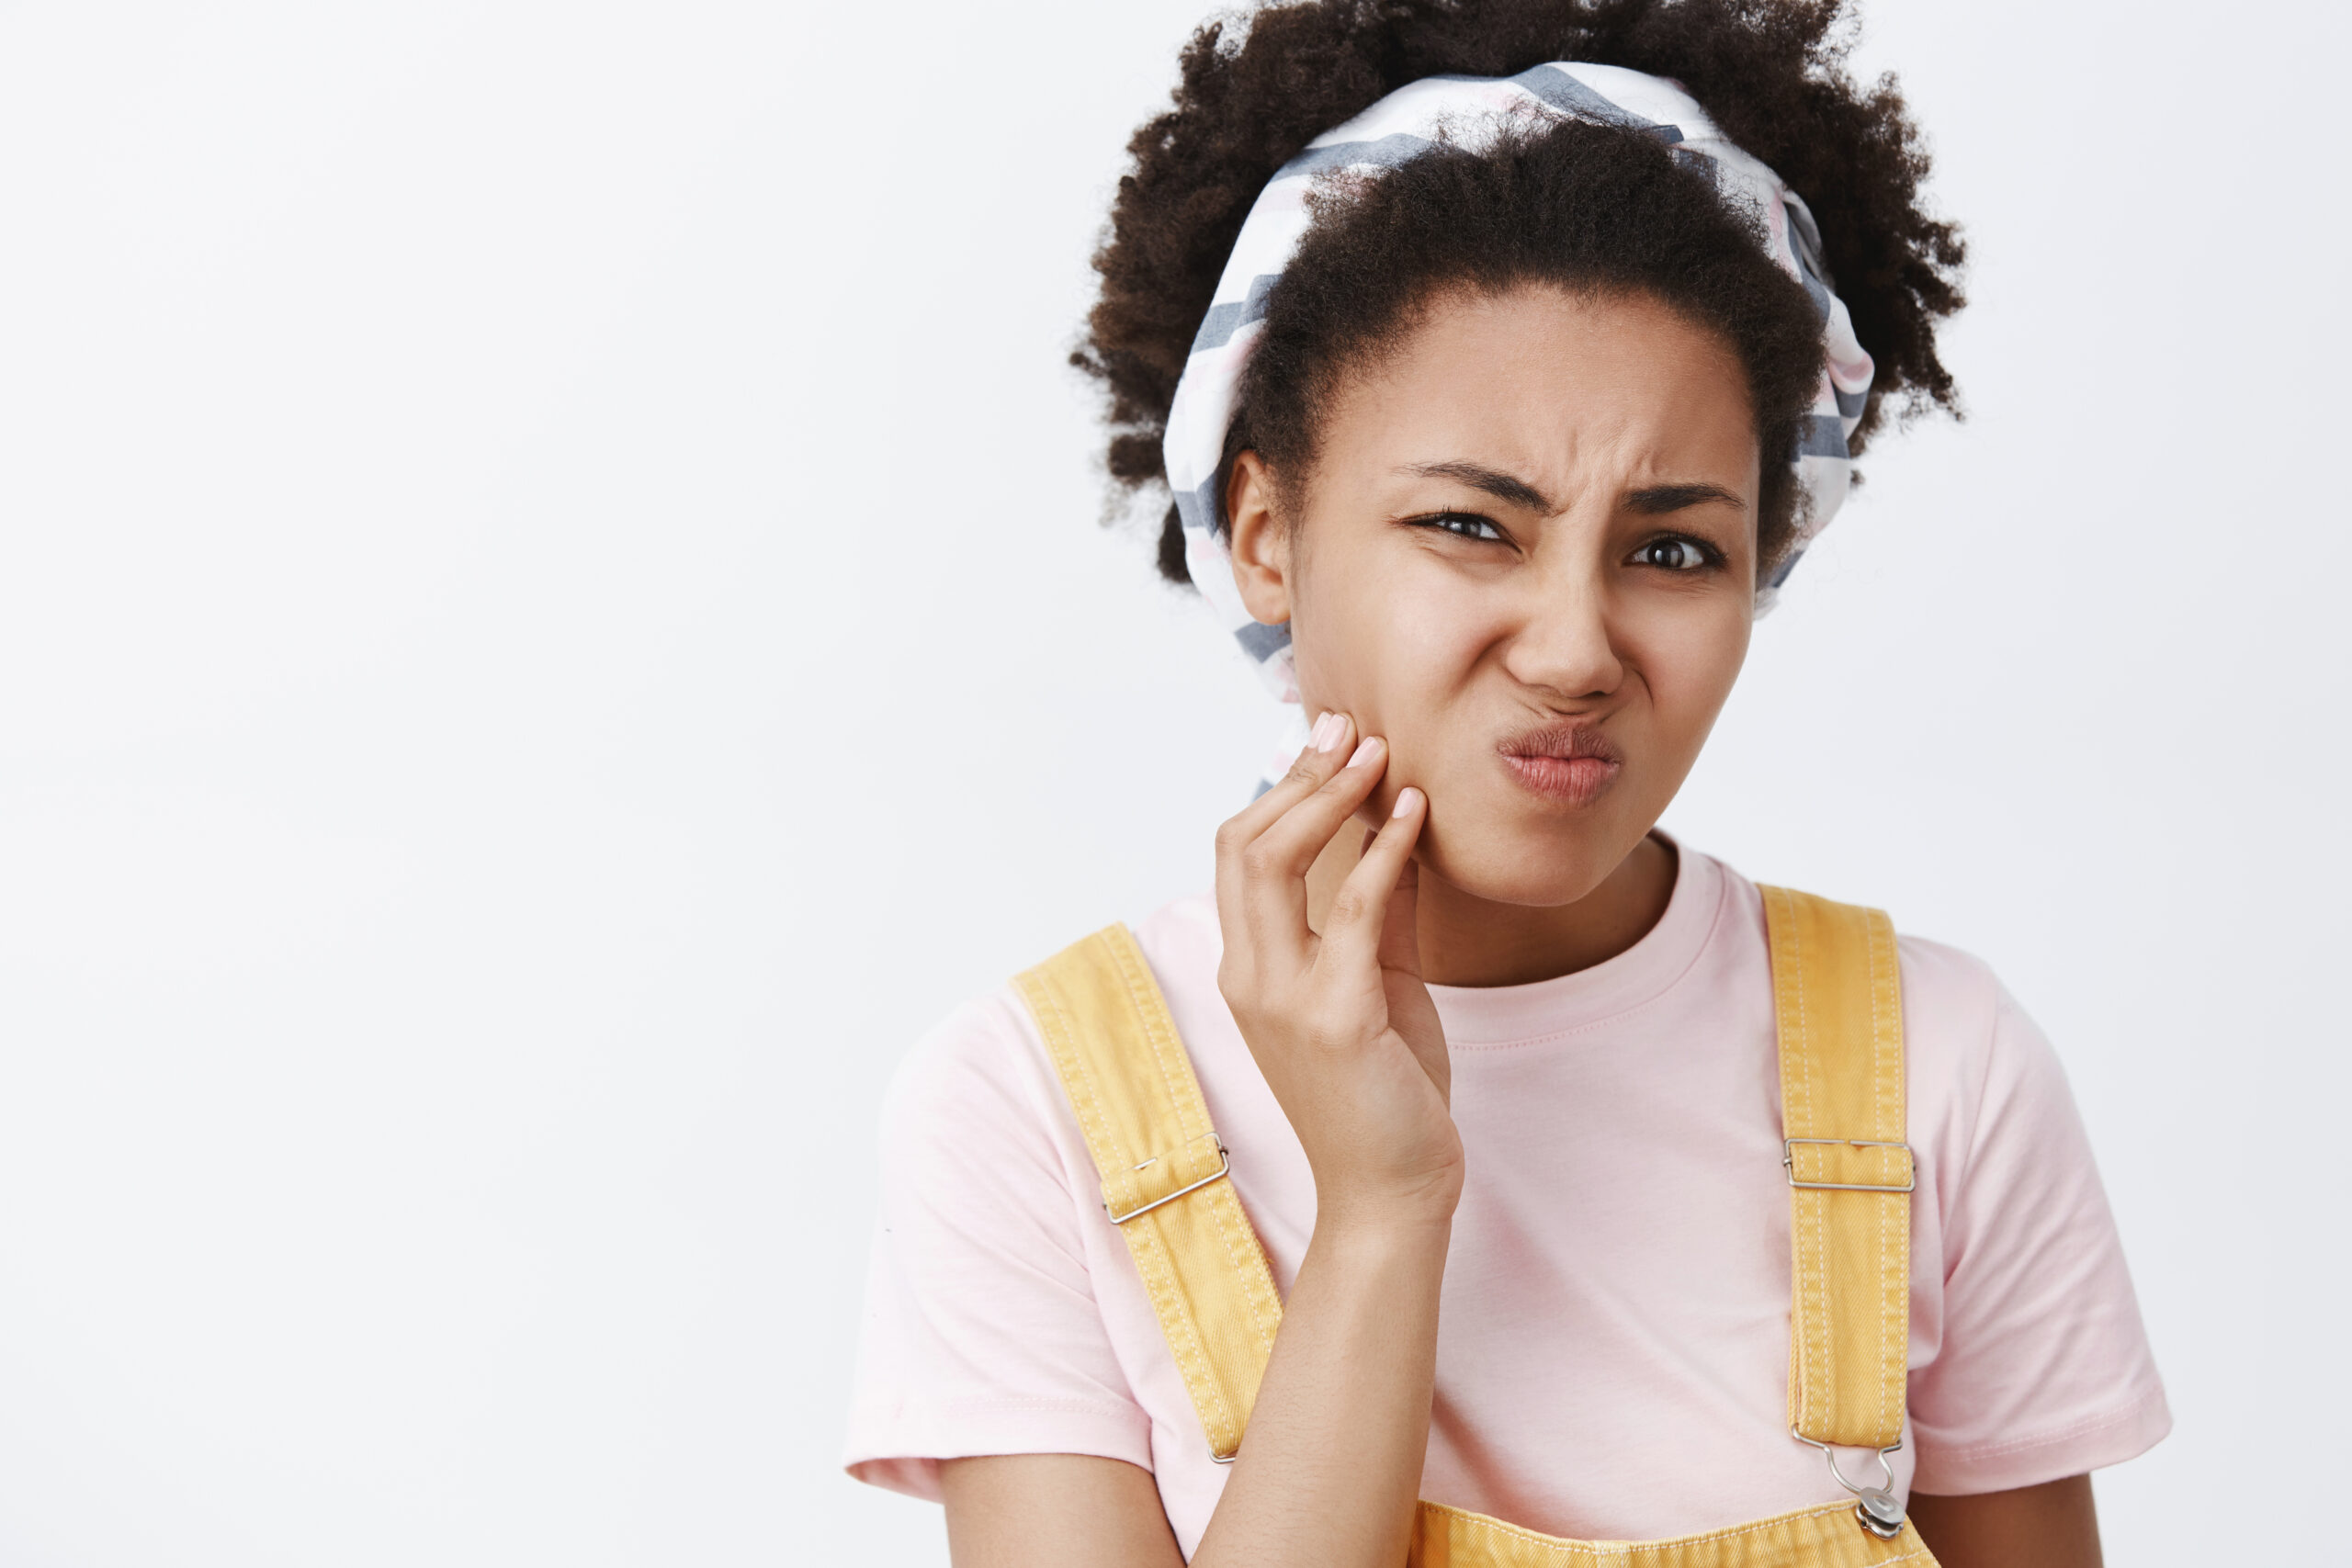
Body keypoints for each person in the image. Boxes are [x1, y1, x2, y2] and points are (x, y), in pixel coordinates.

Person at [843, 3, 2169, 1564]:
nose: (1575, 649)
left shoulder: (1940, 1072)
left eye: (1673, 550)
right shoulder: (1035, 1109)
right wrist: (1384, 1208)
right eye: (1473, 527)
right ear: (1268, 532)